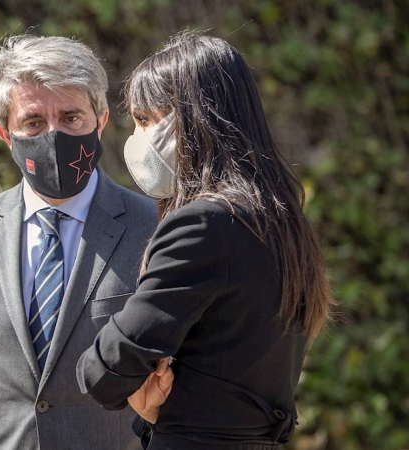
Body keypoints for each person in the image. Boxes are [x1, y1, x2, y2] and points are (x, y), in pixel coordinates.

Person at [76, 31, 336, 449]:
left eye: (146, 120)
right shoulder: (282, 223)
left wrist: (139, 389)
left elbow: (104, 369)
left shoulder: (204, 224)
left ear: (191, 120)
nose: (137, 138)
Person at [0, 34, 159, 450]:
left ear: (100, 121)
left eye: (71, 117)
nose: (54, 134)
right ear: (5, 133)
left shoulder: (155, 227)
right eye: (33, 122)